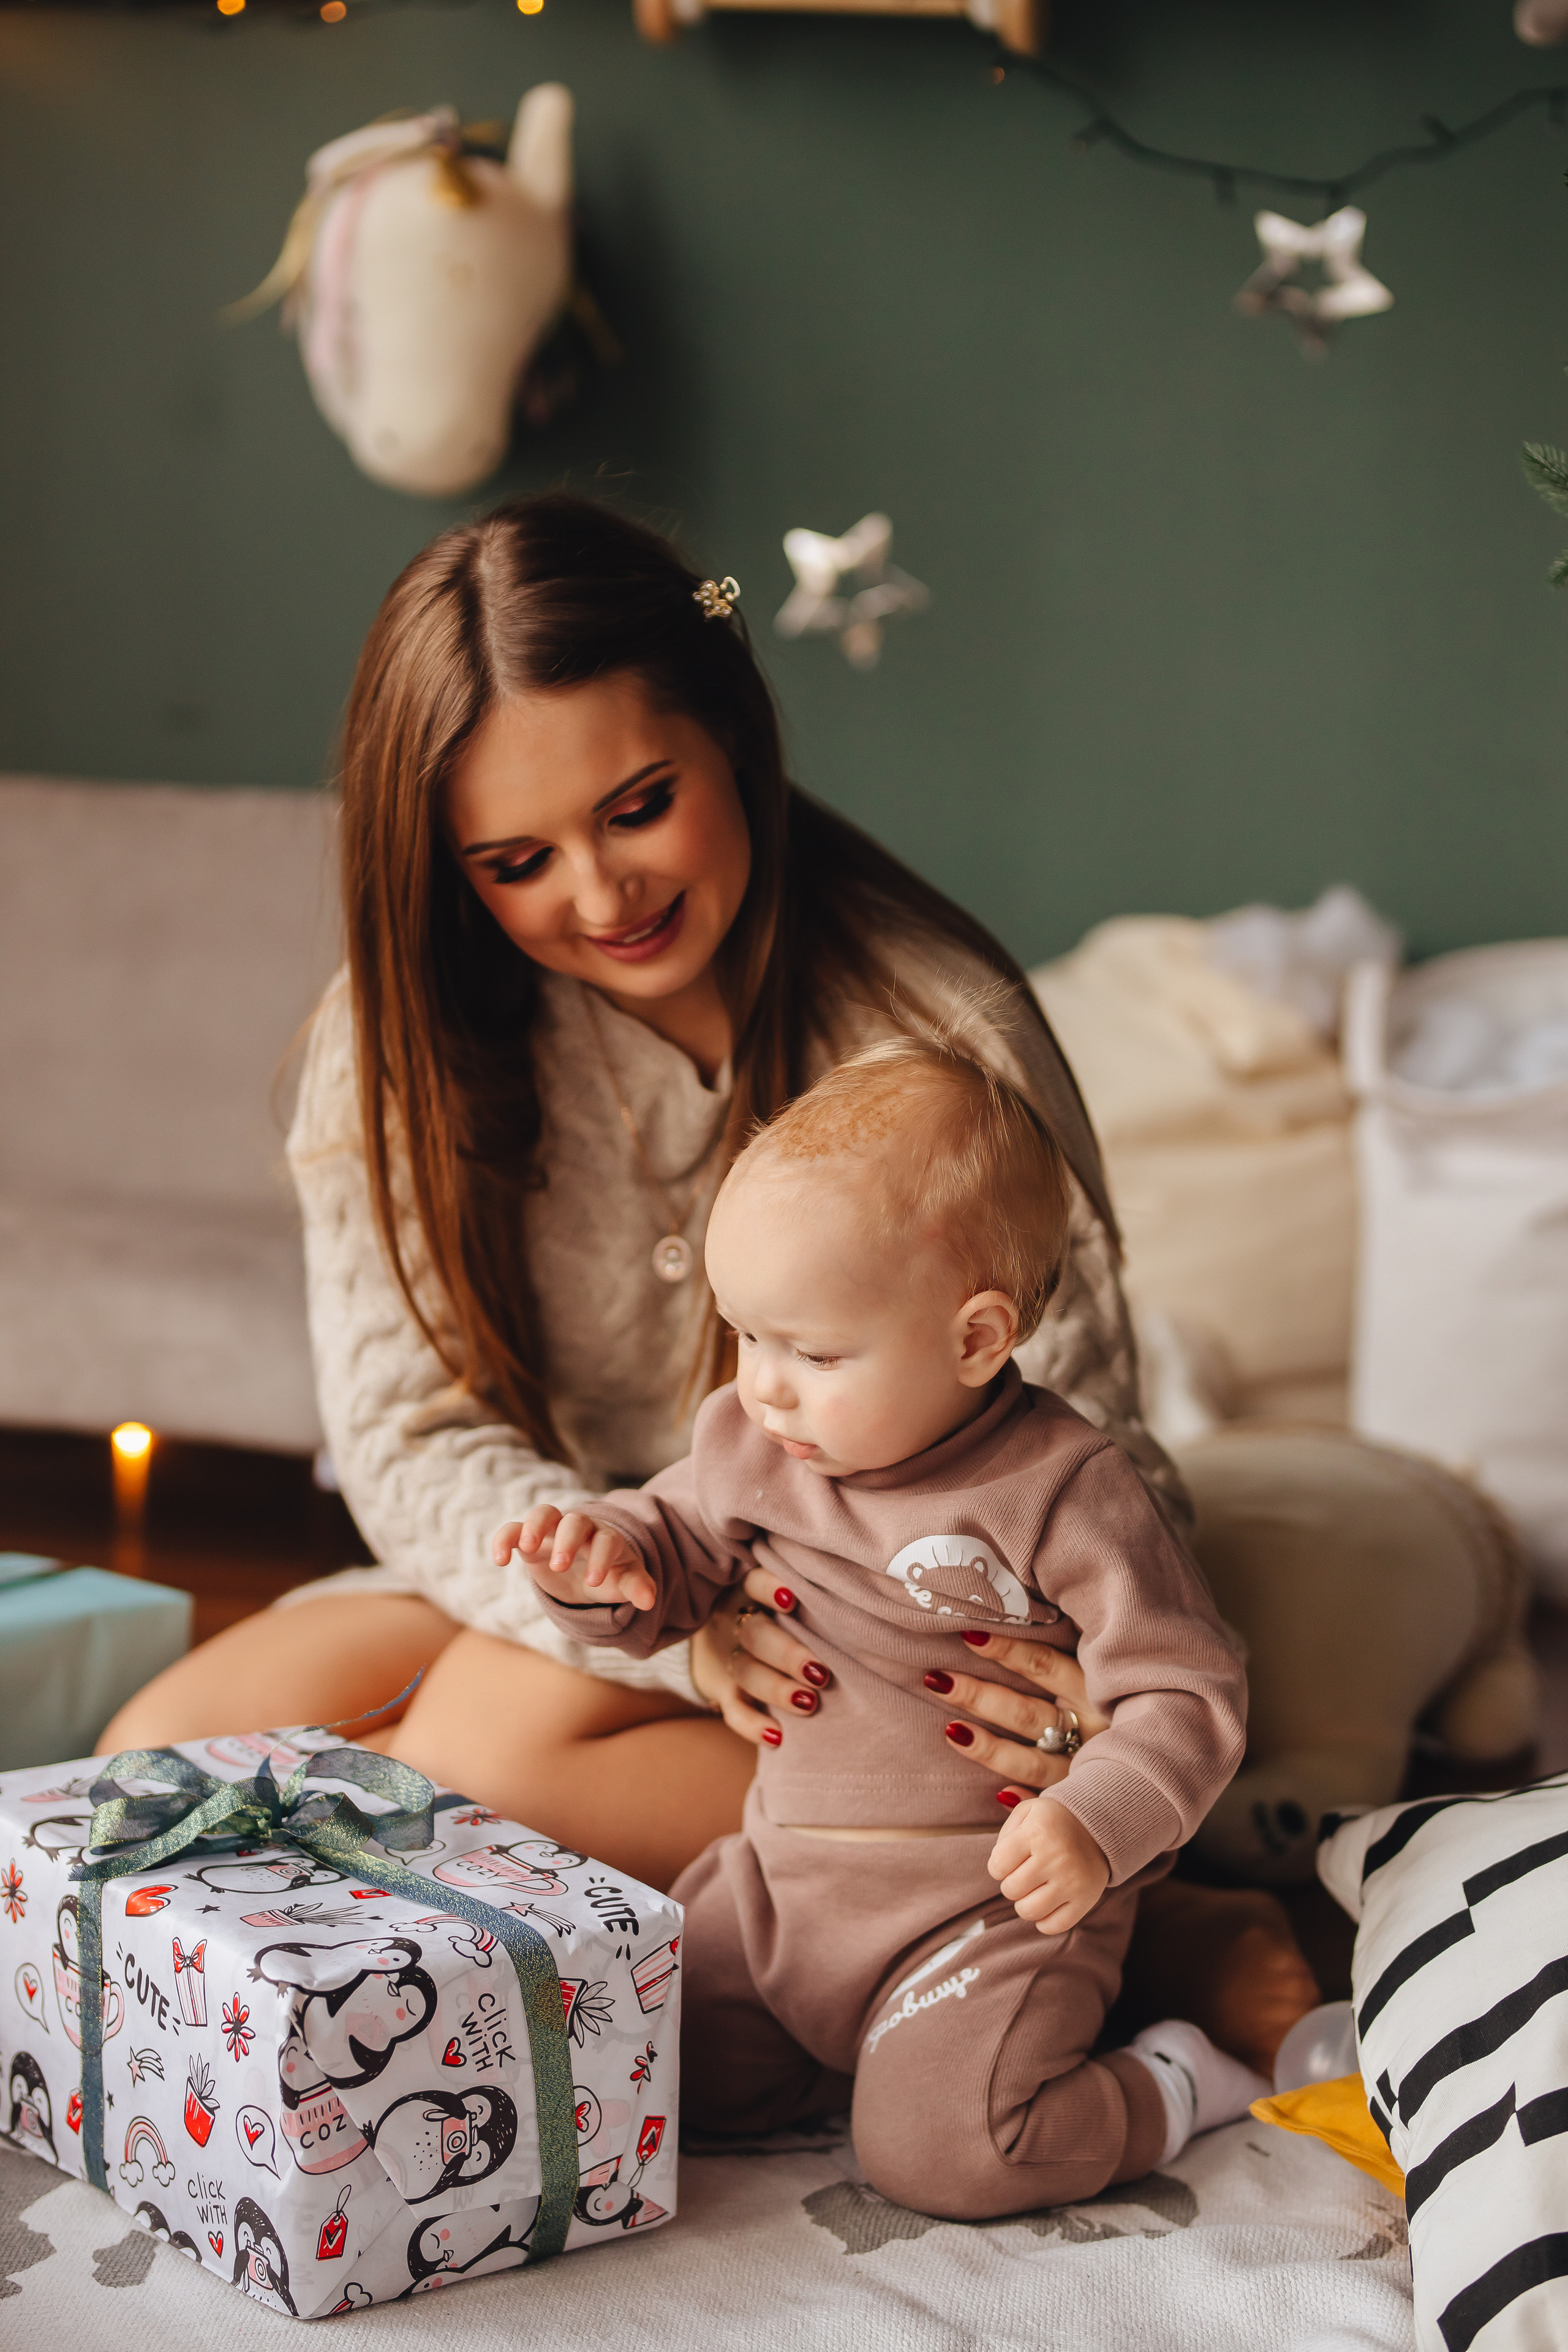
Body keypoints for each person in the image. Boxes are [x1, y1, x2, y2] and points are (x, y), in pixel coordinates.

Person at [100, 492, 1313, 2071]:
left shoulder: (937, 1039)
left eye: (638, 807)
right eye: (517, 861)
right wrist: (653, 1612)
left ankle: (1120, 1926)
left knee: (479, 1746)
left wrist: (1075, 1719)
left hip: (867, 1626)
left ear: (731, 730)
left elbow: (1084, 1443)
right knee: (155, 1767)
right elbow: (407, 1438)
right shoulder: (393, 1047)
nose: (602, 897)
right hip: (598, 1567)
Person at [509, 1037, 1268, 2215]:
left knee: (951, 2156)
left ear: (975, 1340)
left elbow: (1187, 1690)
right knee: (624, 2071)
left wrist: (1095, 1818)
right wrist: (603, 1563)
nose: (763, 1385)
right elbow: (669, 1550)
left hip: (985, 1911)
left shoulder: (1062, 1490)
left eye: (814, 1352)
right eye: (745, 1334)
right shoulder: (753, 1440)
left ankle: (1171, 2081)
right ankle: (851, 2056)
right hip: (779, 1888)